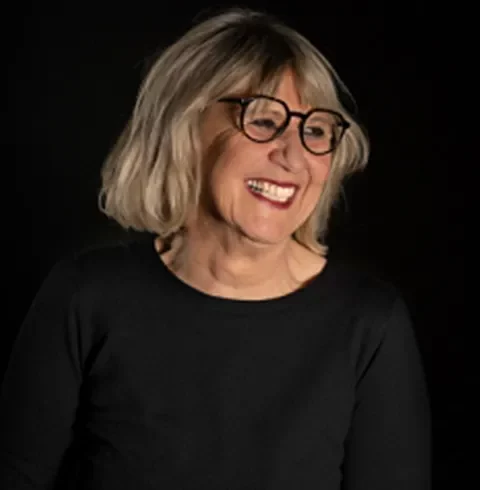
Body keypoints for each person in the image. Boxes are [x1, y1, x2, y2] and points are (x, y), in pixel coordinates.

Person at [0, 7, 431, 489]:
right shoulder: (85, 296)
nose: (294, 157)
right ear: (183, 129)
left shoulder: (369, 324)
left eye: (314, 130)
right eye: (263, 120)